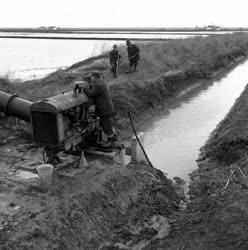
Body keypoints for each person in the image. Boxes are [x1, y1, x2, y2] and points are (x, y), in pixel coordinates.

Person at [83, 71, 117, 146]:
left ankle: (110, 141)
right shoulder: (102, 82)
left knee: (106, 124)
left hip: (104, 108)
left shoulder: (98, 85)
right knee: (105, 123)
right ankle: (110, 139)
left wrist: (85, 89)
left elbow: (91, 93)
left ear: (94, 77)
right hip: (107, 107)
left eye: (91, 77)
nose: (91, 78)